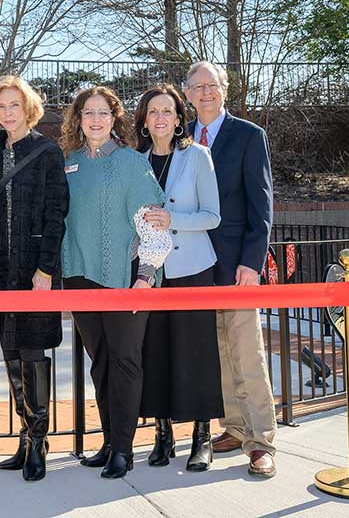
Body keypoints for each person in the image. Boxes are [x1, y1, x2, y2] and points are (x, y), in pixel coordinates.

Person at [59, 85, 170, 479]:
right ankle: (108, 441)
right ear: (78, 119)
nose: (95, 119)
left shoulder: (129, 162)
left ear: (115, 118)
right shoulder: (69, 163)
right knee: (101, 363)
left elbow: (153, 222)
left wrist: (145, 277)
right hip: (78, 278)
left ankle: (124, 450)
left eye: (103, 112)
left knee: (124, 361)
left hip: (124, 279)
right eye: (87, 112)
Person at [183, 60, 277, 478]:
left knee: (246, 352)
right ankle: (234, 429)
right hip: (194, 266)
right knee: (218, 352)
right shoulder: (181, 136)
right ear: (187, 93)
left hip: (235, 266)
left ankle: (261, 441)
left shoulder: (248, 136)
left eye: (212, 85)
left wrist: (251, 263)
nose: (206, 92)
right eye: (198, 86)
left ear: (225, 89)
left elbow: (262, 207)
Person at [0, 76, 68, 482]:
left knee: (32, 352)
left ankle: (39, 441)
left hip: (33, 269)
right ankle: (24, 438)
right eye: (1, 106)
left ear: (28, 107)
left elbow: (56, 214)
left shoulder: (48, 152)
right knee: (9, 353)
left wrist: (45, 269)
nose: (7, 112)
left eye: (14, 105)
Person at [134, 84, 224, 472]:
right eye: (153, 111)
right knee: (154, 351)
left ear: (178, 118)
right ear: (144, 119)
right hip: (151, 273)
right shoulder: (134, 162)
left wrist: (174, 220)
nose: (160, 118)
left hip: (192, 269)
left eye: (167, 111)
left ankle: (201, 437)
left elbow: (212, 216)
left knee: (196, 351)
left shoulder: (198, 156)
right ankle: (162, 434)